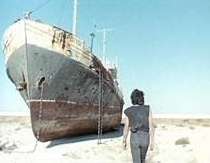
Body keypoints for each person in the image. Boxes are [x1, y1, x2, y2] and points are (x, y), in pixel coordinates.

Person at [123, 89, 154, 163]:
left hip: (134, 138)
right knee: (142, 160)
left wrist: (124, 140)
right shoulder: (147, 109)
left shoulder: (128, 110)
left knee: (136, 161)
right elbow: (151, 126)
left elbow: (126, 127)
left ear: (132, 99)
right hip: (145, 138)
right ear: (142, 99)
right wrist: (152, 141)